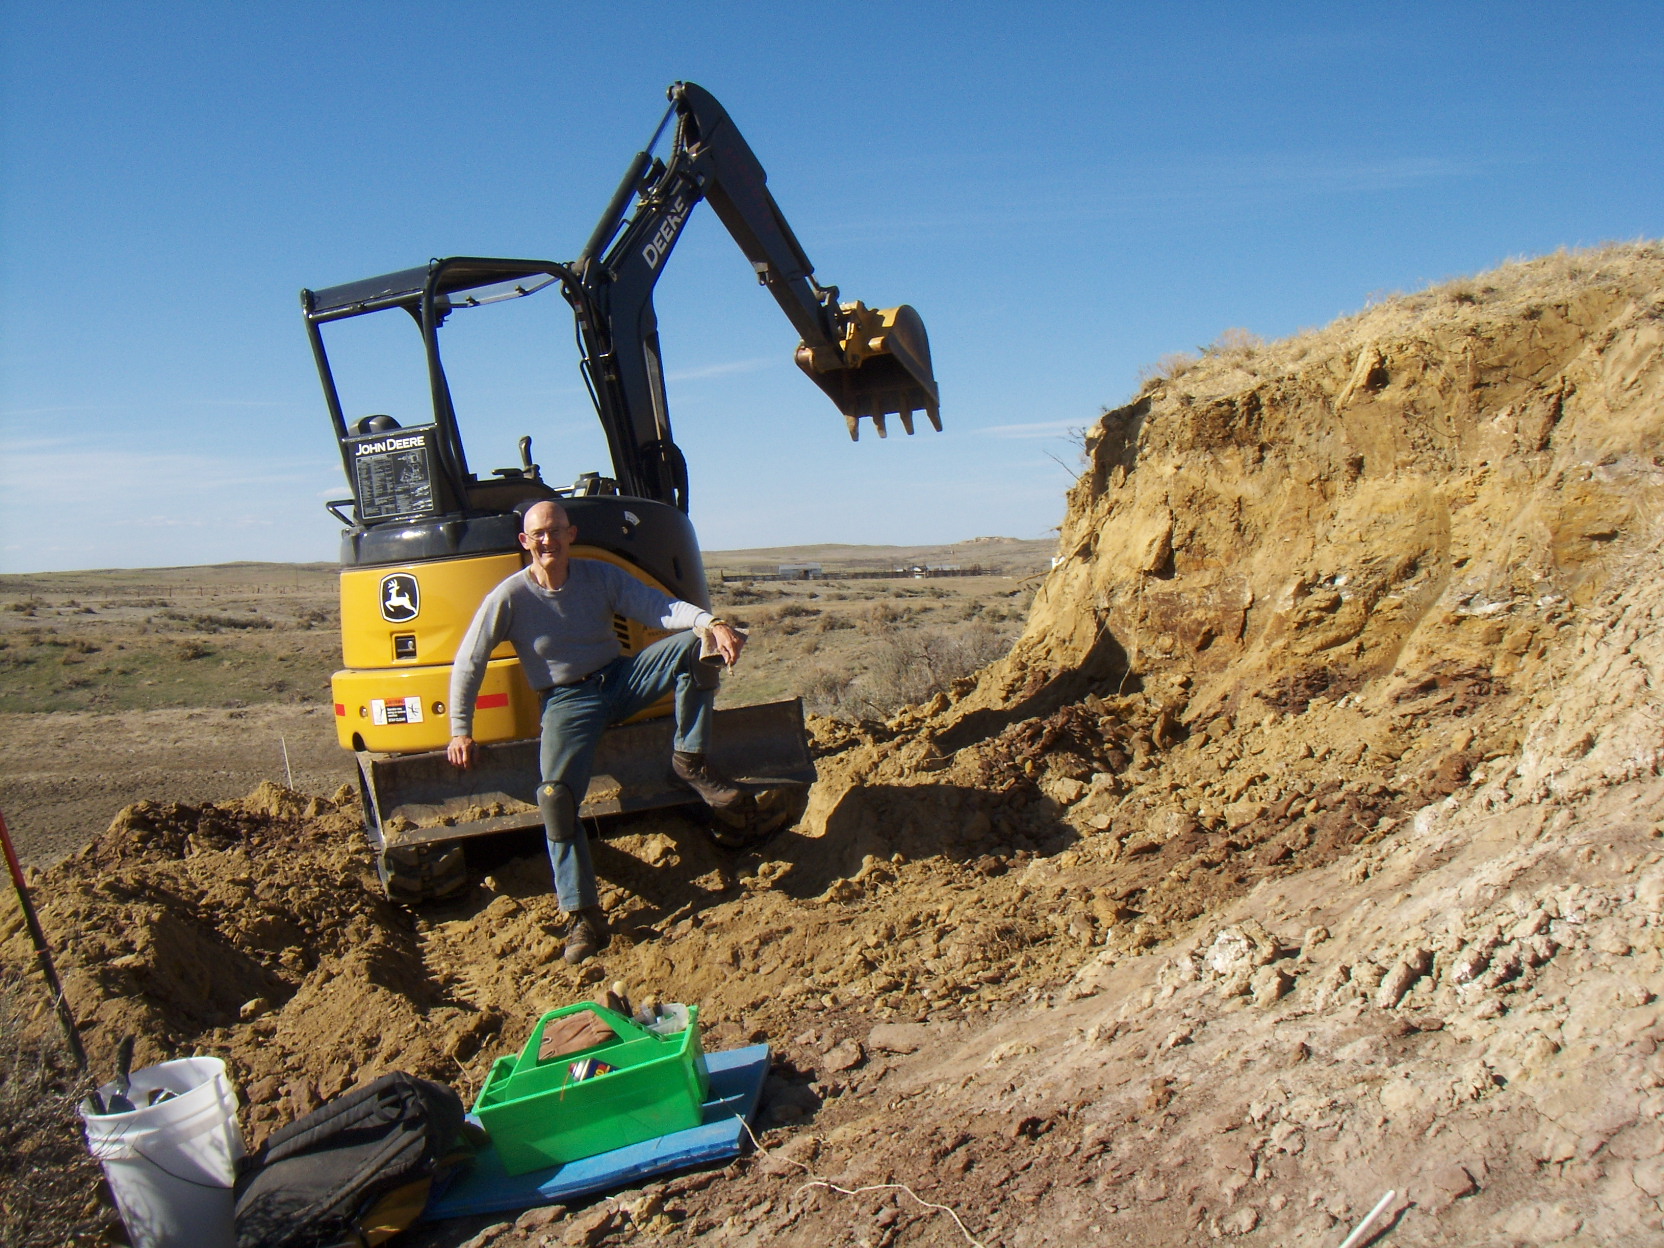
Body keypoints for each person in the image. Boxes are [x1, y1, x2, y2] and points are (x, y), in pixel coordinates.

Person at [446, 500, 748, 962]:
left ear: (571, 534)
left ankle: (690, 757)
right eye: (538, 534)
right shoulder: (509, 598)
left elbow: (657, 606)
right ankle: (583, 916)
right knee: (556, 797)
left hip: (620, 679)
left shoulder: (599, 576)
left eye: (555, 531)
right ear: (525, 543)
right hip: (567, 701)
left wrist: (711, 622)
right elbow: (471, 660)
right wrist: (460, 728)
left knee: (695, 644)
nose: (547, 540)